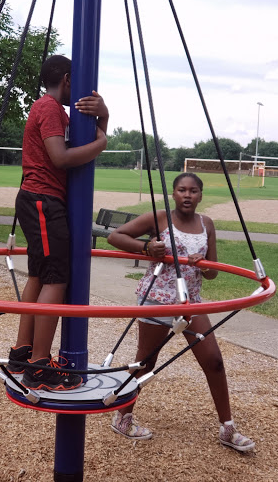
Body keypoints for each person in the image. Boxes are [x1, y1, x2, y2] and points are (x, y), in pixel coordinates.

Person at [107, 172, 255, 452]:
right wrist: (147, 247)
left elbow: (212, 272)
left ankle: (228, 428)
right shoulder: (159, 217)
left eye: (193, 191)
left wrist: (203, 265)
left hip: (191, 302)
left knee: (214, 361)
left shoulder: (206, 224)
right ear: (173, 194)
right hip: (158, 299)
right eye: (181, 190)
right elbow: (115, 236)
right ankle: (123, 417)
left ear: (200, 196)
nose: (187, 195)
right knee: (146, 363)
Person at [7, 55, 109, 392]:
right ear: (67, 79)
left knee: (39, 275)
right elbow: (61, 158)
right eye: (77, 82)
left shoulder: (55, 111)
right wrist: (101, 144)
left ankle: (22, 352)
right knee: (56, 278)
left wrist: (104, 117)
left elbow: (83, 140)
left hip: (39, 200)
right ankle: (38, 365)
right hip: (43, 201)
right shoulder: (48, 108)